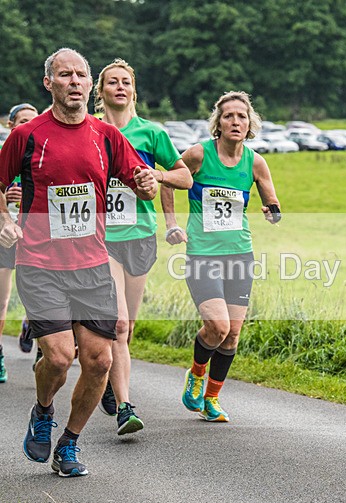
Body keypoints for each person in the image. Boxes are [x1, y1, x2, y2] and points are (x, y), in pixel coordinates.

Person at [0, 48, 158, 477]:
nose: (74, 81)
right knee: (57, 357)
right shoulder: (28, 135)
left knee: (99, 361)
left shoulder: (106, 135)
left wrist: (146, 182)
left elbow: (141, 185)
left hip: (92, 266)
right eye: (64, 74)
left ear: (90, 85)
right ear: (48, 83)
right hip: (40, 264)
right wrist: (4, 219)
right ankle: (43, 411)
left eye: (81, 75)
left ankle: (68, 443)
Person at [163, 91, 280, 422]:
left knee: (232, 334)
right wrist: (171, 224)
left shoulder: (255, 161)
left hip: (240, 255)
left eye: (241, 116)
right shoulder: (200, 155)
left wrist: (273, 212)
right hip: (202, 254)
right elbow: (169, 181)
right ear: (218, 122)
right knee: (216, 326)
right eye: (228, 116)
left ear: (250, 123)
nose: (235, 121)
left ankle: (212, 399)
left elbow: (273, 203)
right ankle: (197, 375)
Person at [93, 58, 192, 435]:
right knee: (117, 324)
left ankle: (107, 381)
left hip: (139, 237)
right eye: (112, 82)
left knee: (128, 328)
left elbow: (183, 175)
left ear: (134, 91)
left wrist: (157, 175)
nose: (120, 87)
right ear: (100, 92)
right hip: (101, 240)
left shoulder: (151, 134)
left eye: (126, 82)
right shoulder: (90, 130)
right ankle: (125, 407)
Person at [0, 103, 38, 383]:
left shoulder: (43, 153)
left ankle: (32, 327)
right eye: (22, 120)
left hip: (35, 235)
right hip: (5, 235)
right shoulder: (5, 153)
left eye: (33, 121)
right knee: (2, 298)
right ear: (11, 126)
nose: (28, 125)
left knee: (39, 296)